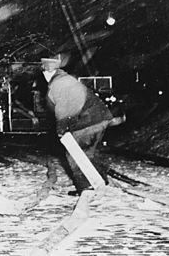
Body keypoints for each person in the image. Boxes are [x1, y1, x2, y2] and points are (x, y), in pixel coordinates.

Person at [41, 55, 121, 193]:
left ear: (47, 71)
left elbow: (64, 107)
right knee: (88, 153)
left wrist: (61, 128)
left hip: (86, 121)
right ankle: (100, 180)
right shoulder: (67, 79)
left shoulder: (57, 84)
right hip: (100, 118)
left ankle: (85, 187)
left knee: (75, 155)